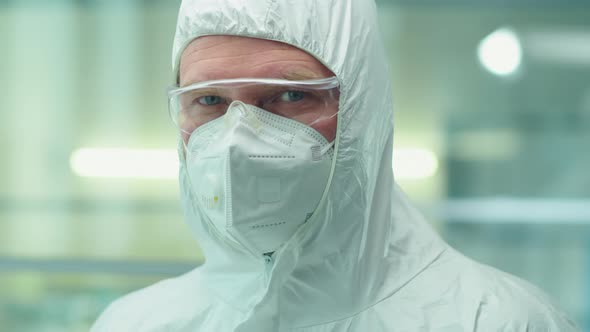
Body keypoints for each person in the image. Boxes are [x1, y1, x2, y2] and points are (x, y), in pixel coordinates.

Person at [91, 0, 579, 331]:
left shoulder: (494, 320)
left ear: (362, 113)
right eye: (210, 100)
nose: (237, 142)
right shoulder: (135, 323)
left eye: (290, 95)